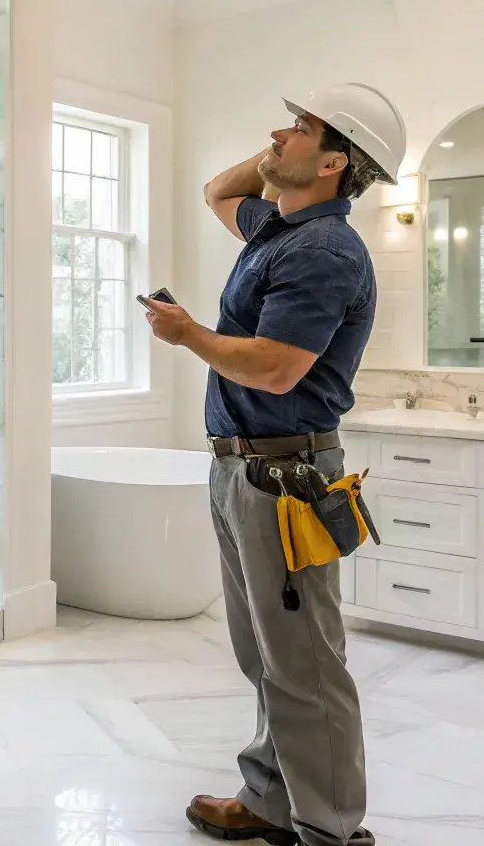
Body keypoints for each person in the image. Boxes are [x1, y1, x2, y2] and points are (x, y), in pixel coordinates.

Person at [142, 83, 404, 846]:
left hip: (286, 476)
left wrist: (188, 334)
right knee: (267, 655)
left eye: (300, 128)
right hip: (244, 470)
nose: (278, 134)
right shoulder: (277, 230)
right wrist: (281, 154)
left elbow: (278, 369)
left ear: (333, 162)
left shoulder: (323, 251)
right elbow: (216, 191)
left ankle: (330, 832)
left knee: (306, 665)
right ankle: (269, 801)